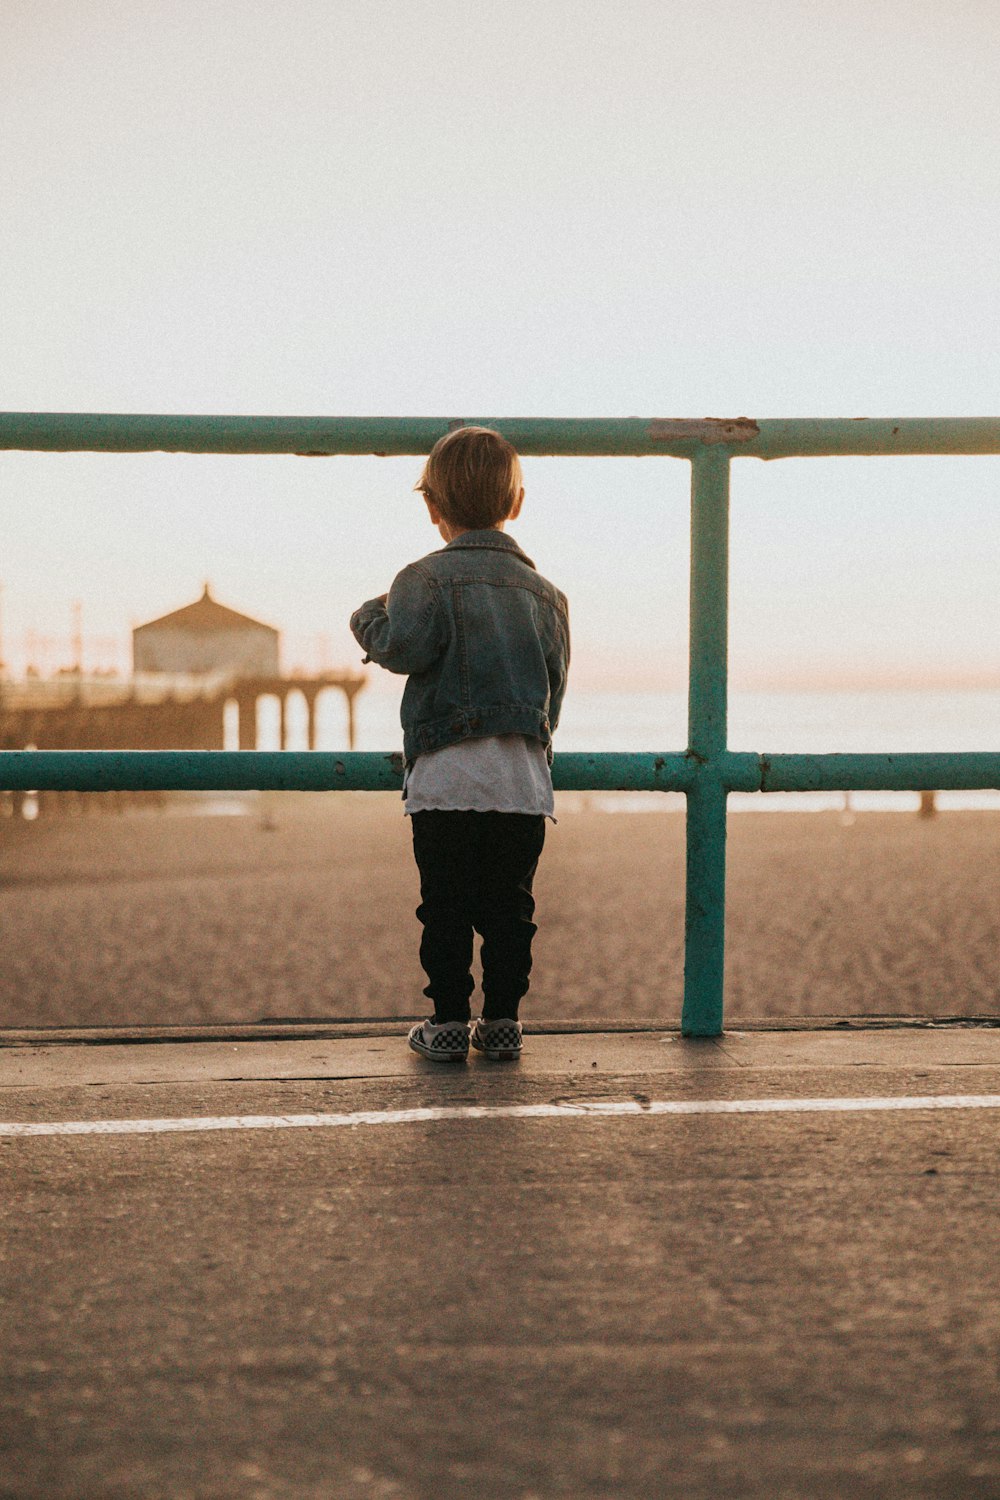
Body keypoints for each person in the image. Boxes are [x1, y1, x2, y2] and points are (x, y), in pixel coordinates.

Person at [350, 426, 570, 1063]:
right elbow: (552, 691)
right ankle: (502, 1022)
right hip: (521, 783)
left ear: (432, 507)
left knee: (442, 908)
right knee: (510, 912)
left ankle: (447, 1022)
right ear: (516, 503)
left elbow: (402, 648)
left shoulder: (422, 580)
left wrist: (368, 616)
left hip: (445, 780)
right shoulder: (547, 596)